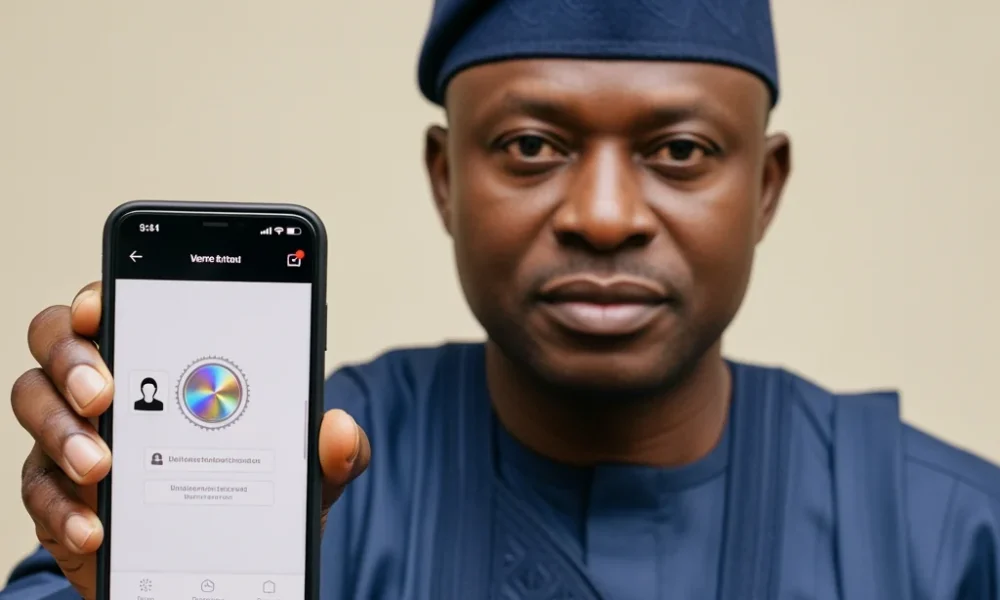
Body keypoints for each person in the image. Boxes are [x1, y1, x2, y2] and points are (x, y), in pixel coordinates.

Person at [5, 0, 1000, 598]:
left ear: (765, 188)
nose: (604, 216)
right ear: (444, 176)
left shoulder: (948, 539)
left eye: (680, 153)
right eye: (531, 146)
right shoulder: (300, 473)